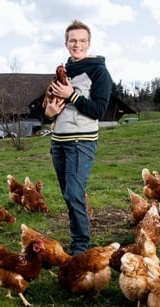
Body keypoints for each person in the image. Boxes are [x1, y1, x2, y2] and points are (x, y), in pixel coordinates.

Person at [44, 19, 113, 255]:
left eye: (82, 40)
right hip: (59, 142)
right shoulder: (64, 70)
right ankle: (77, 239)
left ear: (89, 43)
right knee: (68, 194)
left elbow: (98, 110)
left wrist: (72, 95)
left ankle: (81, 247)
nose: (77, 44)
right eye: (73, 40)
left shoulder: (99, 72)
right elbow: (50, 107)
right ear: (66, 43)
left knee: (74, 193)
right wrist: (48, 114)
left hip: (81, 141)